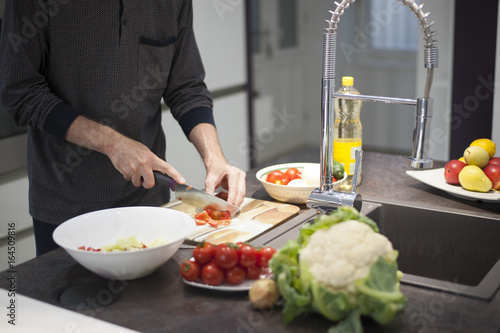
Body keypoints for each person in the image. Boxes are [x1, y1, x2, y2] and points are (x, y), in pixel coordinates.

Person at [0, 0, 246, 256]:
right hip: (66, 204)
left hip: (149, 201)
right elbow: (20, 91)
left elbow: (187, 88)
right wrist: (113, 143)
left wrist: (214, 157)